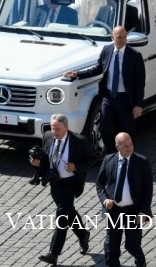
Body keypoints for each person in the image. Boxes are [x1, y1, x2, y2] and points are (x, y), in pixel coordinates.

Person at [64, 26, 145, 154]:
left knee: (126, 131)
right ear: (112, 37)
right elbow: (98, 69)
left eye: (125, 37)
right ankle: (113, 155)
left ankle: (126, 156)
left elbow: (140, 82)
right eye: (119, 37)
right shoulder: (107, 50)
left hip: (126, 99)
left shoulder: (134, 55)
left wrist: (138, 104)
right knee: (104, 128)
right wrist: (78, 74)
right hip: (109, 97)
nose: (123, 40)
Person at [30, 114, 95, 266]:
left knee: (62, 215)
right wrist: (36, 163)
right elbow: (45, 159)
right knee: (68, 212)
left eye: (58, 129)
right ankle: (83, 234)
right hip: (55, 183)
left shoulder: (79, 141)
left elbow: (92, 159)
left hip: (71, 183)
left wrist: (76, 166)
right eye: (53, 128)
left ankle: (53, 253)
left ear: (66, 127)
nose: (54, 132)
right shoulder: (47, 136)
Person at [95, 133, 153, 267]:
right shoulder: (109, 160)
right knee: (111, 247)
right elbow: (100, 184)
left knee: (132, 245)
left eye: (130, 144)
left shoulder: (142, 162)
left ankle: (141, 261)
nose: (129, 148)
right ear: (117, 147)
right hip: (114, 210)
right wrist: (105, 200)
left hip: (133, 211)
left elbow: (148, 190)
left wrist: (143, 212)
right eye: (125, 146)